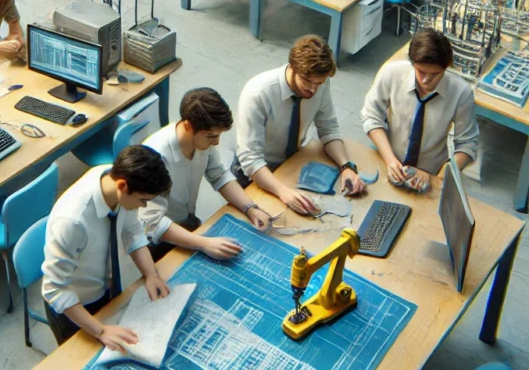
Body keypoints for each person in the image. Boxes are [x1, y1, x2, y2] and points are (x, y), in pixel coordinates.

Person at [42, 145, 172, 348]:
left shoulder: (111, 181)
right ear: (122, 186)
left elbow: (132, 231)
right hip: (74, 305)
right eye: (143, 200)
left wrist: (151, 274)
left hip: (105, 290)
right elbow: (54, 289)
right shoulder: (72, 222)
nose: (143, 207)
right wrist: (100, 330)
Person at [233, 35, 366, 214]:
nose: (313, 89)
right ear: (293, 67)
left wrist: (346, 166)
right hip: (256, 172)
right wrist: (284, 192)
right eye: (307, 81)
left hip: (292, 162)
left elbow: (328, 128)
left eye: (318, 83)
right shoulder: (257, 94)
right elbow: (250, 159)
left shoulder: (320, 83)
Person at [139, 88, 272, 263]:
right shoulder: (154, 157)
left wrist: (250, 208)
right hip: (161, 239)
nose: (216, 142)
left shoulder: (203, 143)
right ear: (188, 126)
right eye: (211, 136)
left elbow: (220, 175)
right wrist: (204, 243)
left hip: (189, 223)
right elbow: (151, 224)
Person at [362, 28, 479, 192]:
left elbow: (467, 144)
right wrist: (390, 160)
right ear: (412, 63)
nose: (426, 80)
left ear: (446, 68)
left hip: (431, 172)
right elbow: (371, 116)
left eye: (435, 74)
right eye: (421, 71)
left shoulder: (461, 92)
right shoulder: (391, 73)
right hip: (388, 160)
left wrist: (438, 177)